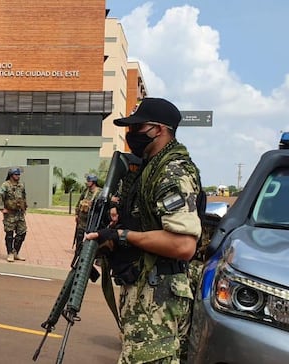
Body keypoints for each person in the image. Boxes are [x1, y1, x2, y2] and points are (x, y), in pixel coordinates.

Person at [85, 97, 202, 363]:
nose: (131, 134)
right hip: (145, 288)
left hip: (158, 294)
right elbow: (149, 221)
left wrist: (123, 236)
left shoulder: (172, 172)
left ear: (158, 129)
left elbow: (183, 245)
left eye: (137, 127)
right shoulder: (149, 168)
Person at [0, 167, 28, 262]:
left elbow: (24, 196)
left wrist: (24, 206)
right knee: (9, 234)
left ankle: (16, 252)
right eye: (16, 174)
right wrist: (2, 208)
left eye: (19, 174)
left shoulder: (21, 185)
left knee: (22, 232)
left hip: (19, 213)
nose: (18, 176)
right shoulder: (5, 185)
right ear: (11, 175)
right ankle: (10, 253)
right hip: (10, 213)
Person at [73, 174, 101, 248]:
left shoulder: (99, 192)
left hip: (92, 219)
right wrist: (76, 214)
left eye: (89, 181)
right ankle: (78, 250)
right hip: (82, 218)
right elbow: (79, 203)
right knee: (79, 236)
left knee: (90, 236)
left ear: (93, 182)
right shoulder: (85, 191)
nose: (87, 182)